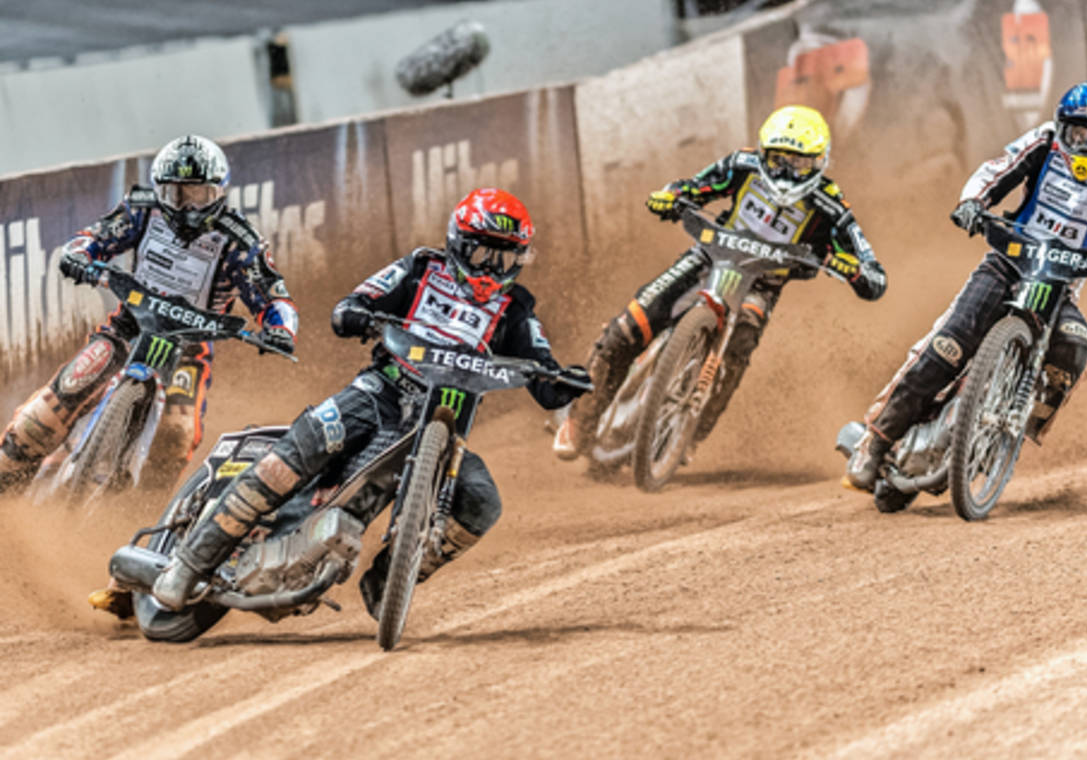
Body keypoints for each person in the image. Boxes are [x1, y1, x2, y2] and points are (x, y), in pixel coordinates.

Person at [147, 187, 590, 616]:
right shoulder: (421, 268)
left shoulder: (515, 308)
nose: (491, 268)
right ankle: (188, 565)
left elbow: (543, 371)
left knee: (483, 501)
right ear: (458, 243)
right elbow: (355, 303)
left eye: (505, 258)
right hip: (381, 390)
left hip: (444, 425)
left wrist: (567, 381)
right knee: (293, 455)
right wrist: (357, 313)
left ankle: (390, 577)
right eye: (483, 254)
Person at [845, 80, 1087, 491]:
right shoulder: (1042, 142)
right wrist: (973, 202)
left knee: (1078, 346)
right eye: (1079, 133)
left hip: (1062, 286)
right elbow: (997, 169)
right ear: (1062, 126)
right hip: (1006, 264)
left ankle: (1013, 426)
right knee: (949, 342)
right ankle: (875, 442)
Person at [553, 105, 886, 460]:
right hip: (708, 257)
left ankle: (690, 436)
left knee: (737, 348)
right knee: (629, 327)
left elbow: (875, 277)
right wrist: (671, 197)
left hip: (761, 283)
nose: (787, 172)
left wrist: (852, 269)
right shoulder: (742, 165)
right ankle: (579, 420)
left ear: (820, 162)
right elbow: (694, 186)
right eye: (778, 160)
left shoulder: (831, 206)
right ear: (763, 153)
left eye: (799, 163)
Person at [0, 134, 298, 493]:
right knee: (50, 408)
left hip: (189, 345)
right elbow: (95, 237)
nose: (187, 207)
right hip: (130, 326)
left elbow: (273, 296)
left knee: (178, 433)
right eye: (176, 194)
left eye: (197, 194)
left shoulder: (240, 242)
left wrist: (280, 330)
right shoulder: (142, 209)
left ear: (219, 192)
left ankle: (143, 513)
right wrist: (80, 255)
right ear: (160, 190)